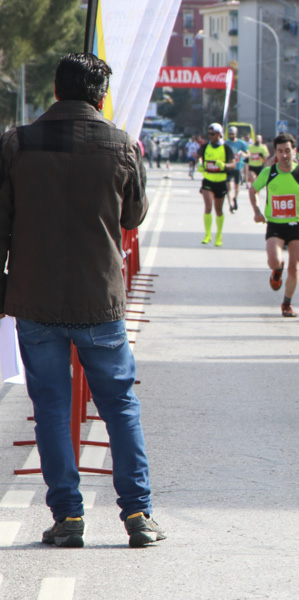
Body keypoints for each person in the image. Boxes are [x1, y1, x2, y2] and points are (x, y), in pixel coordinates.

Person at [0, 52, 165, 549]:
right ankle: (138, 514)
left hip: (34, 297)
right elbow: (133, 215)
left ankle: (68, 518)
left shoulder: (17, 143)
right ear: (100, 96)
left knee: (50, 406)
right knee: (119, 406)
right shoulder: (121, 145)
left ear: (55, 90)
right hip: (100, 299)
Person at [249, 133, 299, 317]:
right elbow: (253, 191)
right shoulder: (269, 172)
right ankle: (277, 270)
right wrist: (257, 212)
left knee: (295, 267)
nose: (284, 155)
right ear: (275, 153)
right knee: (274, 261)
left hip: (297, 224)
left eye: (287, 151)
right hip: (275, 224)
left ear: (294, 151)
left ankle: (287, 303)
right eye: (280, 151)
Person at [195, 123, 236, 246]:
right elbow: (198, 157)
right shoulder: (205, 146)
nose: (210, 136)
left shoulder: (226, 148)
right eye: (209, 134)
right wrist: (200, 165)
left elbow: (233, 164)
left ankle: (219, 235)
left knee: (219, 210)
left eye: (212, 134)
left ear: (219, 134)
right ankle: (207, 235)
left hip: (221, 181)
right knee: (208, 207)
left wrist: (224, 166)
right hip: (208, 181)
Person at [225, 126, 250, 213]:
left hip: (238, 167)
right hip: (228, 167)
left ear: (236, 134)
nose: (231, 136)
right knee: (228, 186)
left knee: (236, 186)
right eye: (230, 134)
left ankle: (235, 198)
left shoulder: (241, 143)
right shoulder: (226, 143)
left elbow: (248, 154)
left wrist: (243, 154)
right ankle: (230, 204)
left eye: (233, 134)